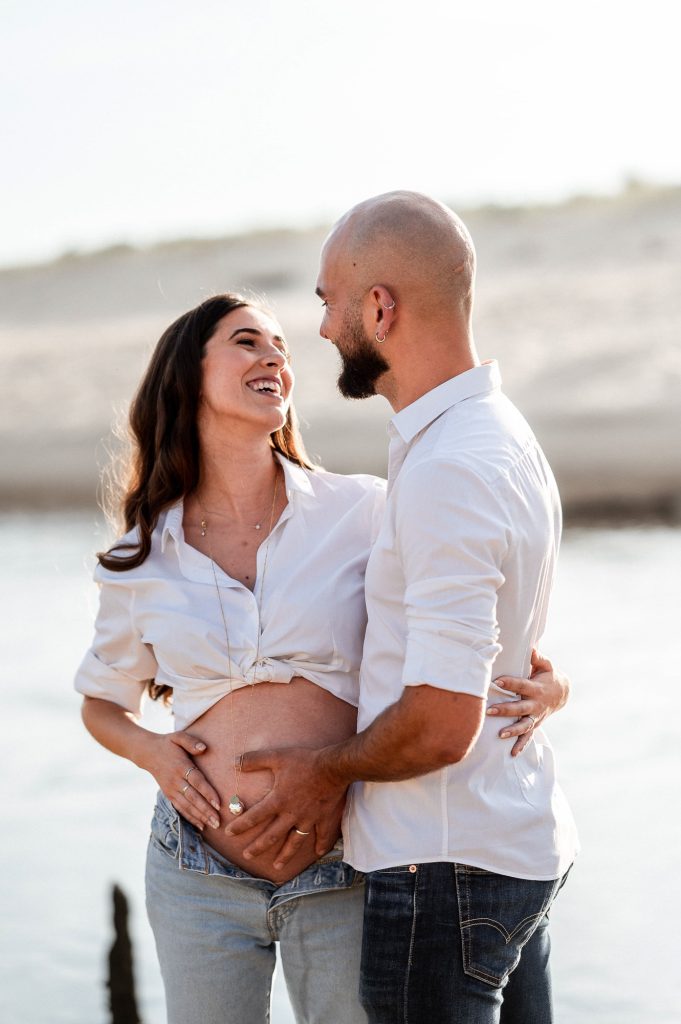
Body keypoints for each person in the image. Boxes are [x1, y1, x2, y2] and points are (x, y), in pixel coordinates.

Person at [75, 292, 569, 1024]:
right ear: (186, 376)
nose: (275, 355)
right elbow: (100, 704)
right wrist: (156, 756)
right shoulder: (140, 553)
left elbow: (482, 628)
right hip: (194, 873)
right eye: (247, 341)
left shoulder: (363, 511)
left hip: (341, 863)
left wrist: (552, 686)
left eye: (280, 344)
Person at [226, 193, 580, 1024]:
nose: (319, 329)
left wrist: (325, 770)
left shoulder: (449, 466)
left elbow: (440, 723)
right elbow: (507, 639)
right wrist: (555, 685)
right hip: (505, 847)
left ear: (378, 307)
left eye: (326, 301)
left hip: (444, 871)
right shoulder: (495, 432)